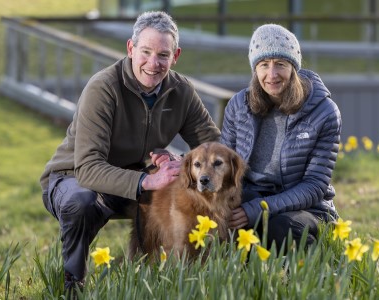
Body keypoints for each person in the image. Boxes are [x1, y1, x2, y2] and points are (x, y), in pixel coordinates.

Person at [39, 11, 220, 290]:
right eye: (145, 52)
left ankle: (164, 282)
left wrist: (181, 162)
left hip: (132, 179)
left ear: (176, 56)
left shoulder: (181, 91)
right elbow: (87, 167)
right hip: (72, 178)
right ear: (130, 48)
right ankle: (73, 286)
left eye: (163, 55)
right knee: (81, 203)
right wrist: (147, 180)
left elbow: (213, 147)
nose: (153, 63)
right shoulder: (104, 88)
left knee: (183, 191)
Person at [222, 24, 341, 250]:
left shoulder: (324, 112)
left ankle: (311, 268)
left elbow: (314, 186)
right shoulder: (238, 106)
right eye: (264, 65)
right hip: (249, 200)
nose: (272, 74)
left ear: (293, 67)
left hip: (306, 208)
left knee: (279, 227)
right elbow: (224, 169)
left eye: (281, 64)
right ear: (255, 69)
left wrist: (256, 210)